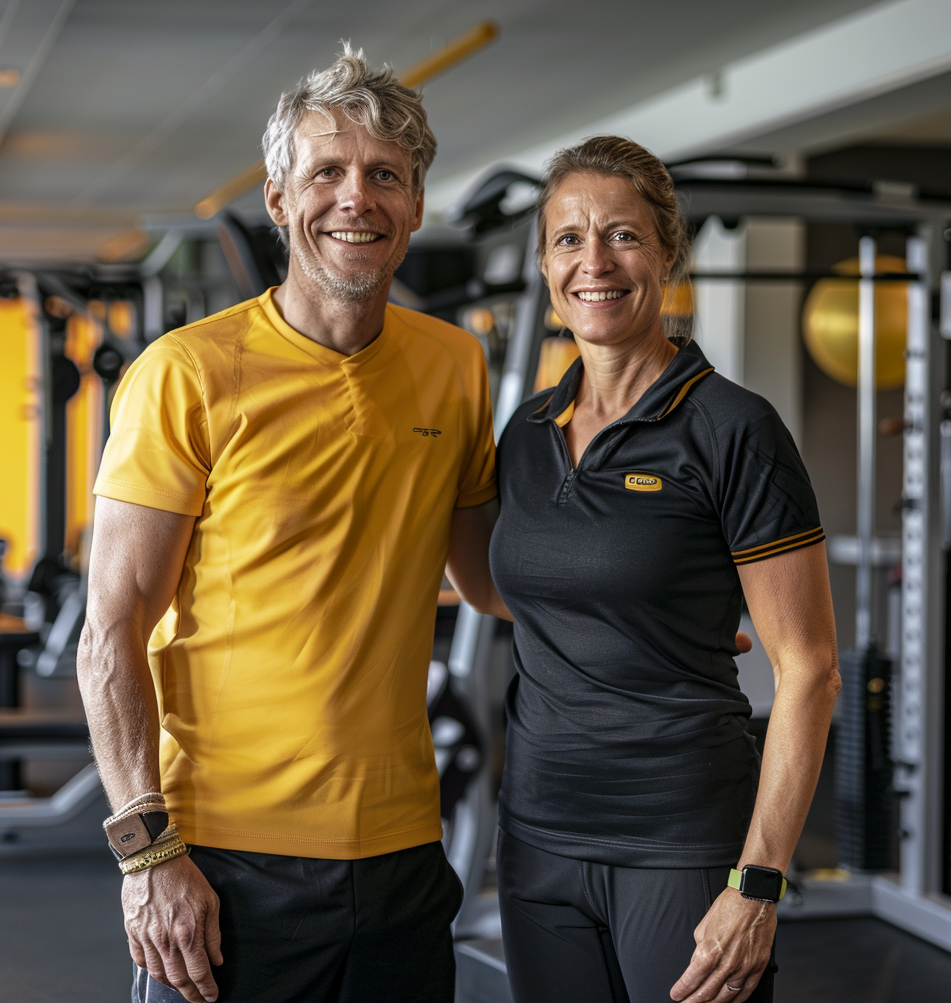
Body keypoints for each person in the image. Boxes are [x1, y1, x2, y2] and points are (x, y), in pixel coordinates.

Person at [77, 49, 503, 1003]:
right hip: (228, 857)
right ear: (278, 199)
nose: (358, 197)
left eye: (385, 175)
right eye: (328, 172)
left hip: (402, 850)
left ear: (417, 204)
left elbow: (487, 577)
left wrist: (651, 611)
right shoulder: (187, 373)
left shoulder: (455, 365)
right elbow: (109, 629)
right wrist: (147, 857)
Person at [487, 136, 840, 1003]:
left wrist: (758, 882)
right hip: (536, 840)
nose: (594, 262)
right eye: (568, 239)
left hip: (680, 843)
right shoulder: (526, 435)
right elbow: (506, 588)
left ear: (668, 254)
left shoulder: (733, 429)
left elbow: (811, 669)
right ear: (543, 263)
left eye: (623, 235)